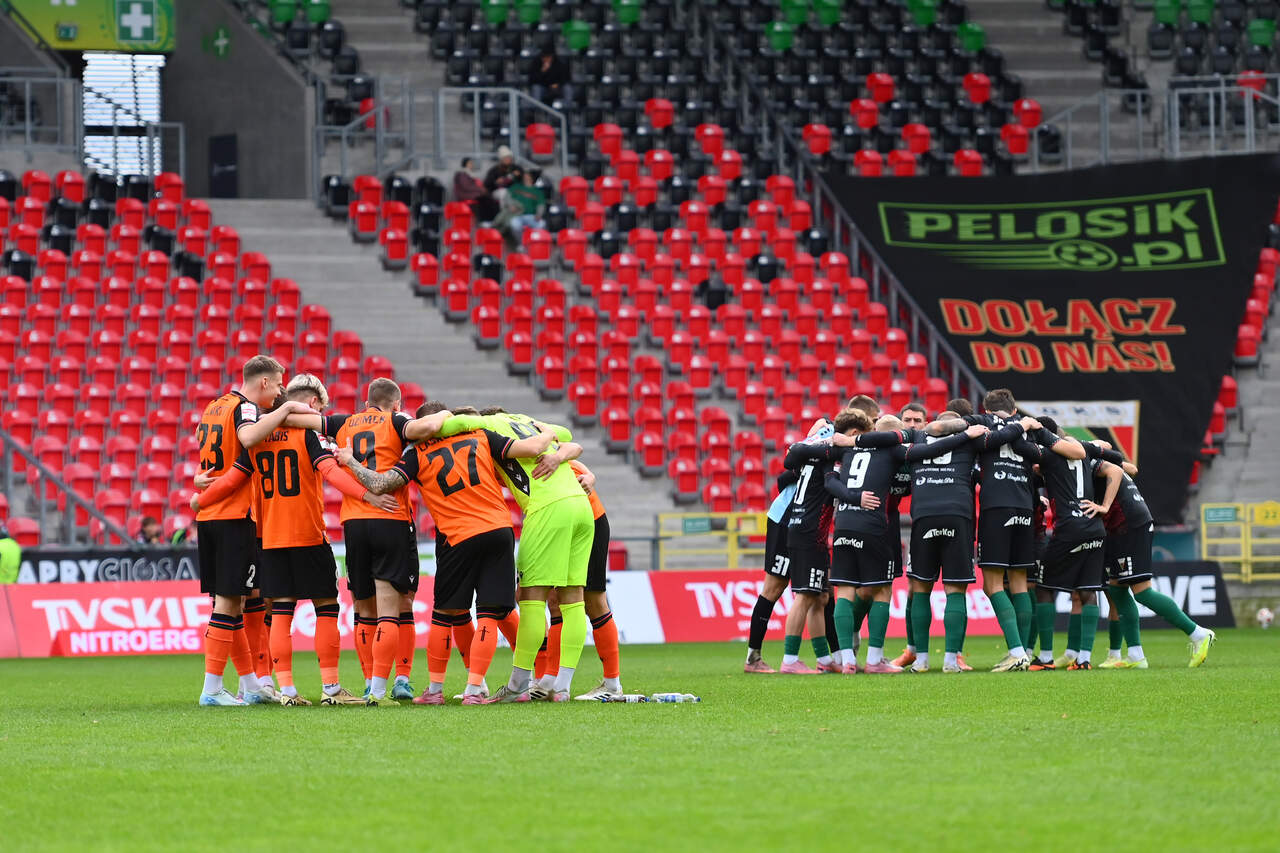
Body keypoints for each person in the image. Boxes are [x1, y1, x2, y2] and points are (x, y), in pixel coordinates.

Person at [194, 374, 397, 705]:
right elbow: (331, 472)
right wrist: (367, 495)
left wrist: (198, 501)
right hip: (308, 533)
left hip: (270, 539)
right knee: (326, 607)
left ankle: (286, 690)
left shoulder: (256, 440)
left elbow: (230, 480)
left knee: (281, 612)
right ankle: (331, 688)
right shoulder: (307, 435)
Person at [339, 402, 554, 704]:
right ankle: (476, 690)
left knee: (444, 615)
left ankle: (435, 691)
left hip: (457, 536)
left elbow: (381, 483)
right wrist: (551, 434)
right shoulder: (480, 435)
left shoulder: (417, 453)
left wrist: (350, 461)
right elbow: (529, 450)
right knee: (491, 614)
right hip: (499, 530)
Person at [426, 408, 595, 703]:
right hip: (582, 506)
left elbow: (457, 423)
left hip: (547, 508)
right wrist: (552, 442)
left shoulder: (485, 425)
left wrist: (425, 423)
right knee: (573, 598)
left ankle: (518, 686)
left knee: (531, 597)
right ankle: (562, 687)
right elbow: (567, 435)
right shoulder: (527, 421)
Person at [283, 377, 421, 702]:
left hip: (354, 523)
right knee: (394, 608)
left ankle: (369, 681)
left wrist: (282, 409)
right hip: (391, 517)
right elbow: (426, 429)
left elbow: (298, 418)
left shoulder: (342, 422)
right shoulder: (397, 421)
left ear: (367, 402)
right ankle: (388, 685)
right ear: (396, 404)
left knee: (363, 608)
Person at [820, 412, 988, 672]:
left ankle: (847, 659)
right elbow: (932, 449)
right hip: (876, 526)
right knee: (883, 590)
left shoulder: (845, 452)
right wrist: (965, 435)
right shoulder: (895, 452)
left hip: (843, 524)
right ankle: (876, 660)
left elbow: (826, 477)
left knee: (845, 591)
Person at [191, 355, 315, 707]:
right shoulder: (245, 408)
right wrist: (286, 408)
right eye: (277, 385)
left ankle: (250, 684)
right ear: (264, 382)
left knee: (234, 603)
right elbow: (247, 438)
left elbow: (207, 453)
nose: (278, 392)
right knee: (229, 603)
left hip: (211, 517)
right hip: (233, 515)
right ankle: (212, 688)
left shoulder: (214, 407)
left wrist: (199, 488)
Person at [1016, 417, 1124, 671]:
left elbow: (1024, 452)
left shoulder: (1047, 455)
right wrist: (1104, 506)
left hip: (1069, 529)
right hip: (1095, 527)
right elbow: (1117, 460)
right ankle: (1084, 659)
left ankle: (1045, 658)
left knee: (1044, 588)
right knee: (1087, 591)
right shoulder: (1083, 449)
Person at [1096, 453, 1216, 668]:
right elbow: (1131, 469)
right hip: (1122, 526)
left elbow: (1115, 467)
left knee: (1142, 592)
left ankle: (1198, 633)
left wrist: (1104, 505)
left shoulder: (1083, 457)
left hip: (1129, 525)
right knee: (1117, 589)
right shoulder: (1092, 458)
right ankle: (1136, 655)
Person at [499, 169, 546, 245]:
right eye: (525, 175)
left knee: (541, 224)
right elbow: (507, 197)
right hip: (517, 215)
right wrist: (510, 205)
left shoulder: (537, 191)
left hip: (531, 216)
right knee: (514, 225)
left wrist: (539, 214)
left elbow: (541, 205)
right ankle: (521, 244)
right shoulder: (516, 187)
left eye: (527, 175)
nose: (525, 177)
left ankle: (533, 243)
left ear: (532, 178)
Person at [453, 157, 498, 222]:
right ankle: (486, 220)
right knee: (485, 199)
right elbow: (466, 186)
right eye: (470, 163)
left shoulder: (468, 174)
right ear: (465, 164)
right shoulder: (462, 174)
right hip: (465, 195)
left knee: (489, 199)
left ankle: (489, 220)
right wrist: (480, 190)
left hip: (471, 194)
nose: (472, 165)